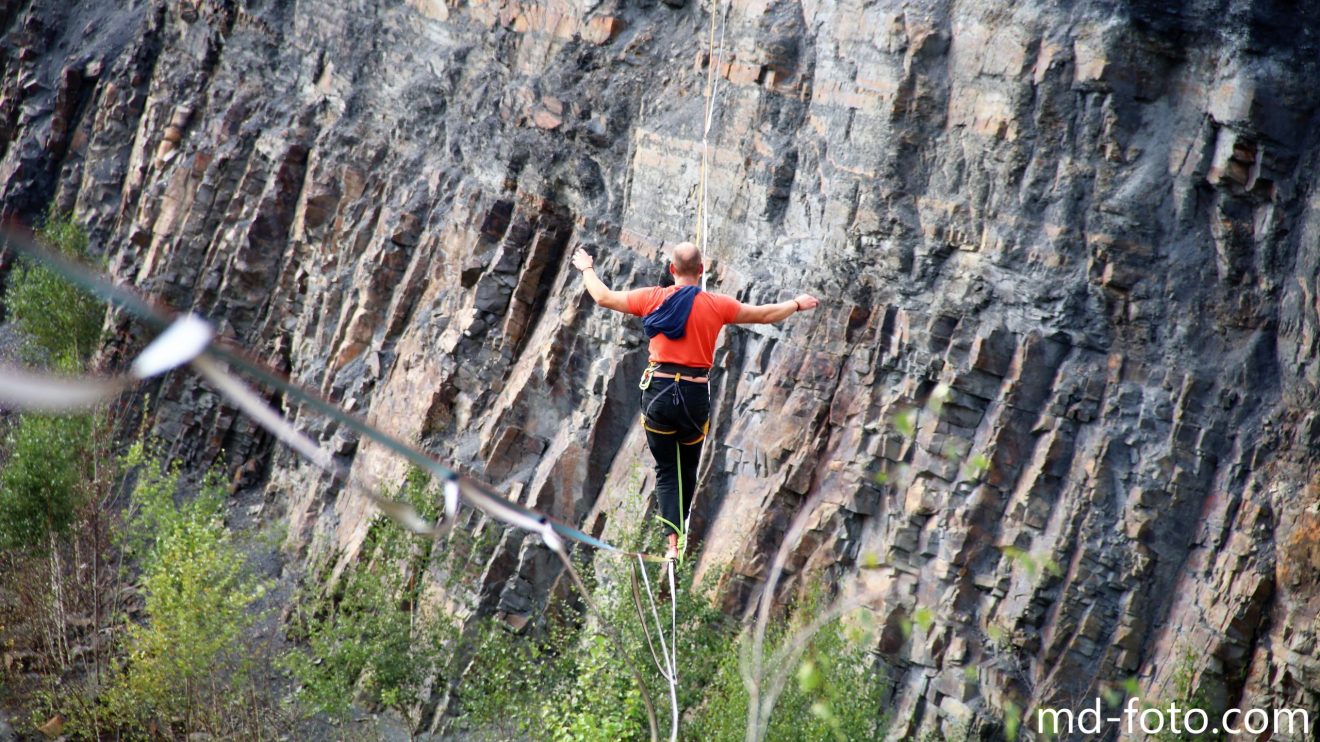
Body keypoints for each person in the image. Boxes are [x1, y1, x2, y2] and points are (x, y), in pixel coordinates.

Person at [571, 242, 819, 560]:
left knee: (665, 469)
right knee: (686, 468)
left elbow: (603, 296)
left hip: (658, 392)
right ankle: (680, 538)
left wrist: (587, 267)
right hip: (693, 397)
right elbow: (765, 314)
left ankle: (672, 541)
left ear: (671, 270)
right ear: (701, 271)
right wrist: (797, 303)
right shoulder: (716, 304)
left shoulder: (652, 298)